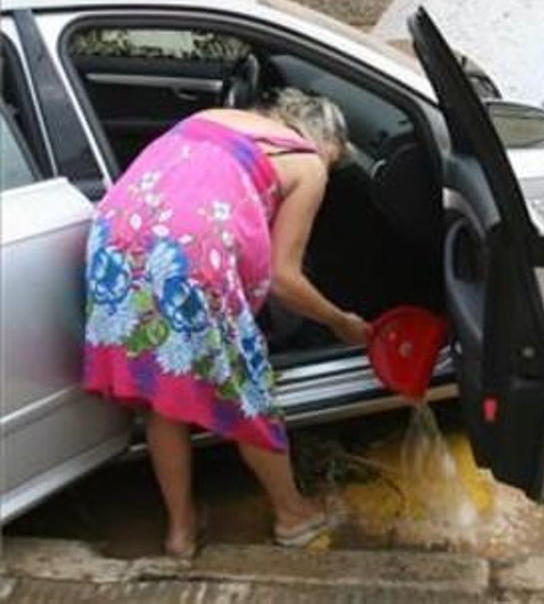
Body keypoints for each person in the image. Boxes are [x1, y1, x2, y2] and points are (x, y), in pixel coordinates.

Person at [81, 88, 369, 557]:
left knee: (164, 395)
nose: (329, 172)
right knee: (244, 390)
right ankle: (294, 516)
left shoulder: (213, 116)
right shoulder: (308, 161)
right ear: (326, 140)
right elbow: (283, 279)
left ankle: (181, 531)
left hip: (114, 243)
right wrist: (341, 322)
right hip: (190, 258)